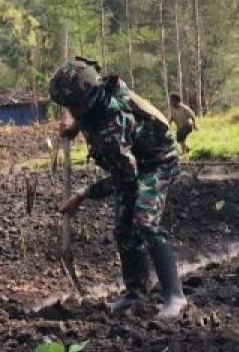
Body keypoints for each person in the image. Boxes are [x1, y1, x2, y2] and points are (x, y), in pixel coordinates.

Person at [51, 58, 187, 319]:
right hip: (134, 159)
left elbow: (124, 179)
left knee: (144, 222)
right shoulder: (101, 92)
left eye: (72, 106)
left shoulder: (111, 129)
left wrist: (82, 195)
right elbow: (92, 111)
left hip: (157, 162)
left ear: (85, 101)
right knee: (124, 228)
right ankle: (135, 293)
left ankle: (175, 296)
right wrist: (75, 128)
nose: (70, 110)